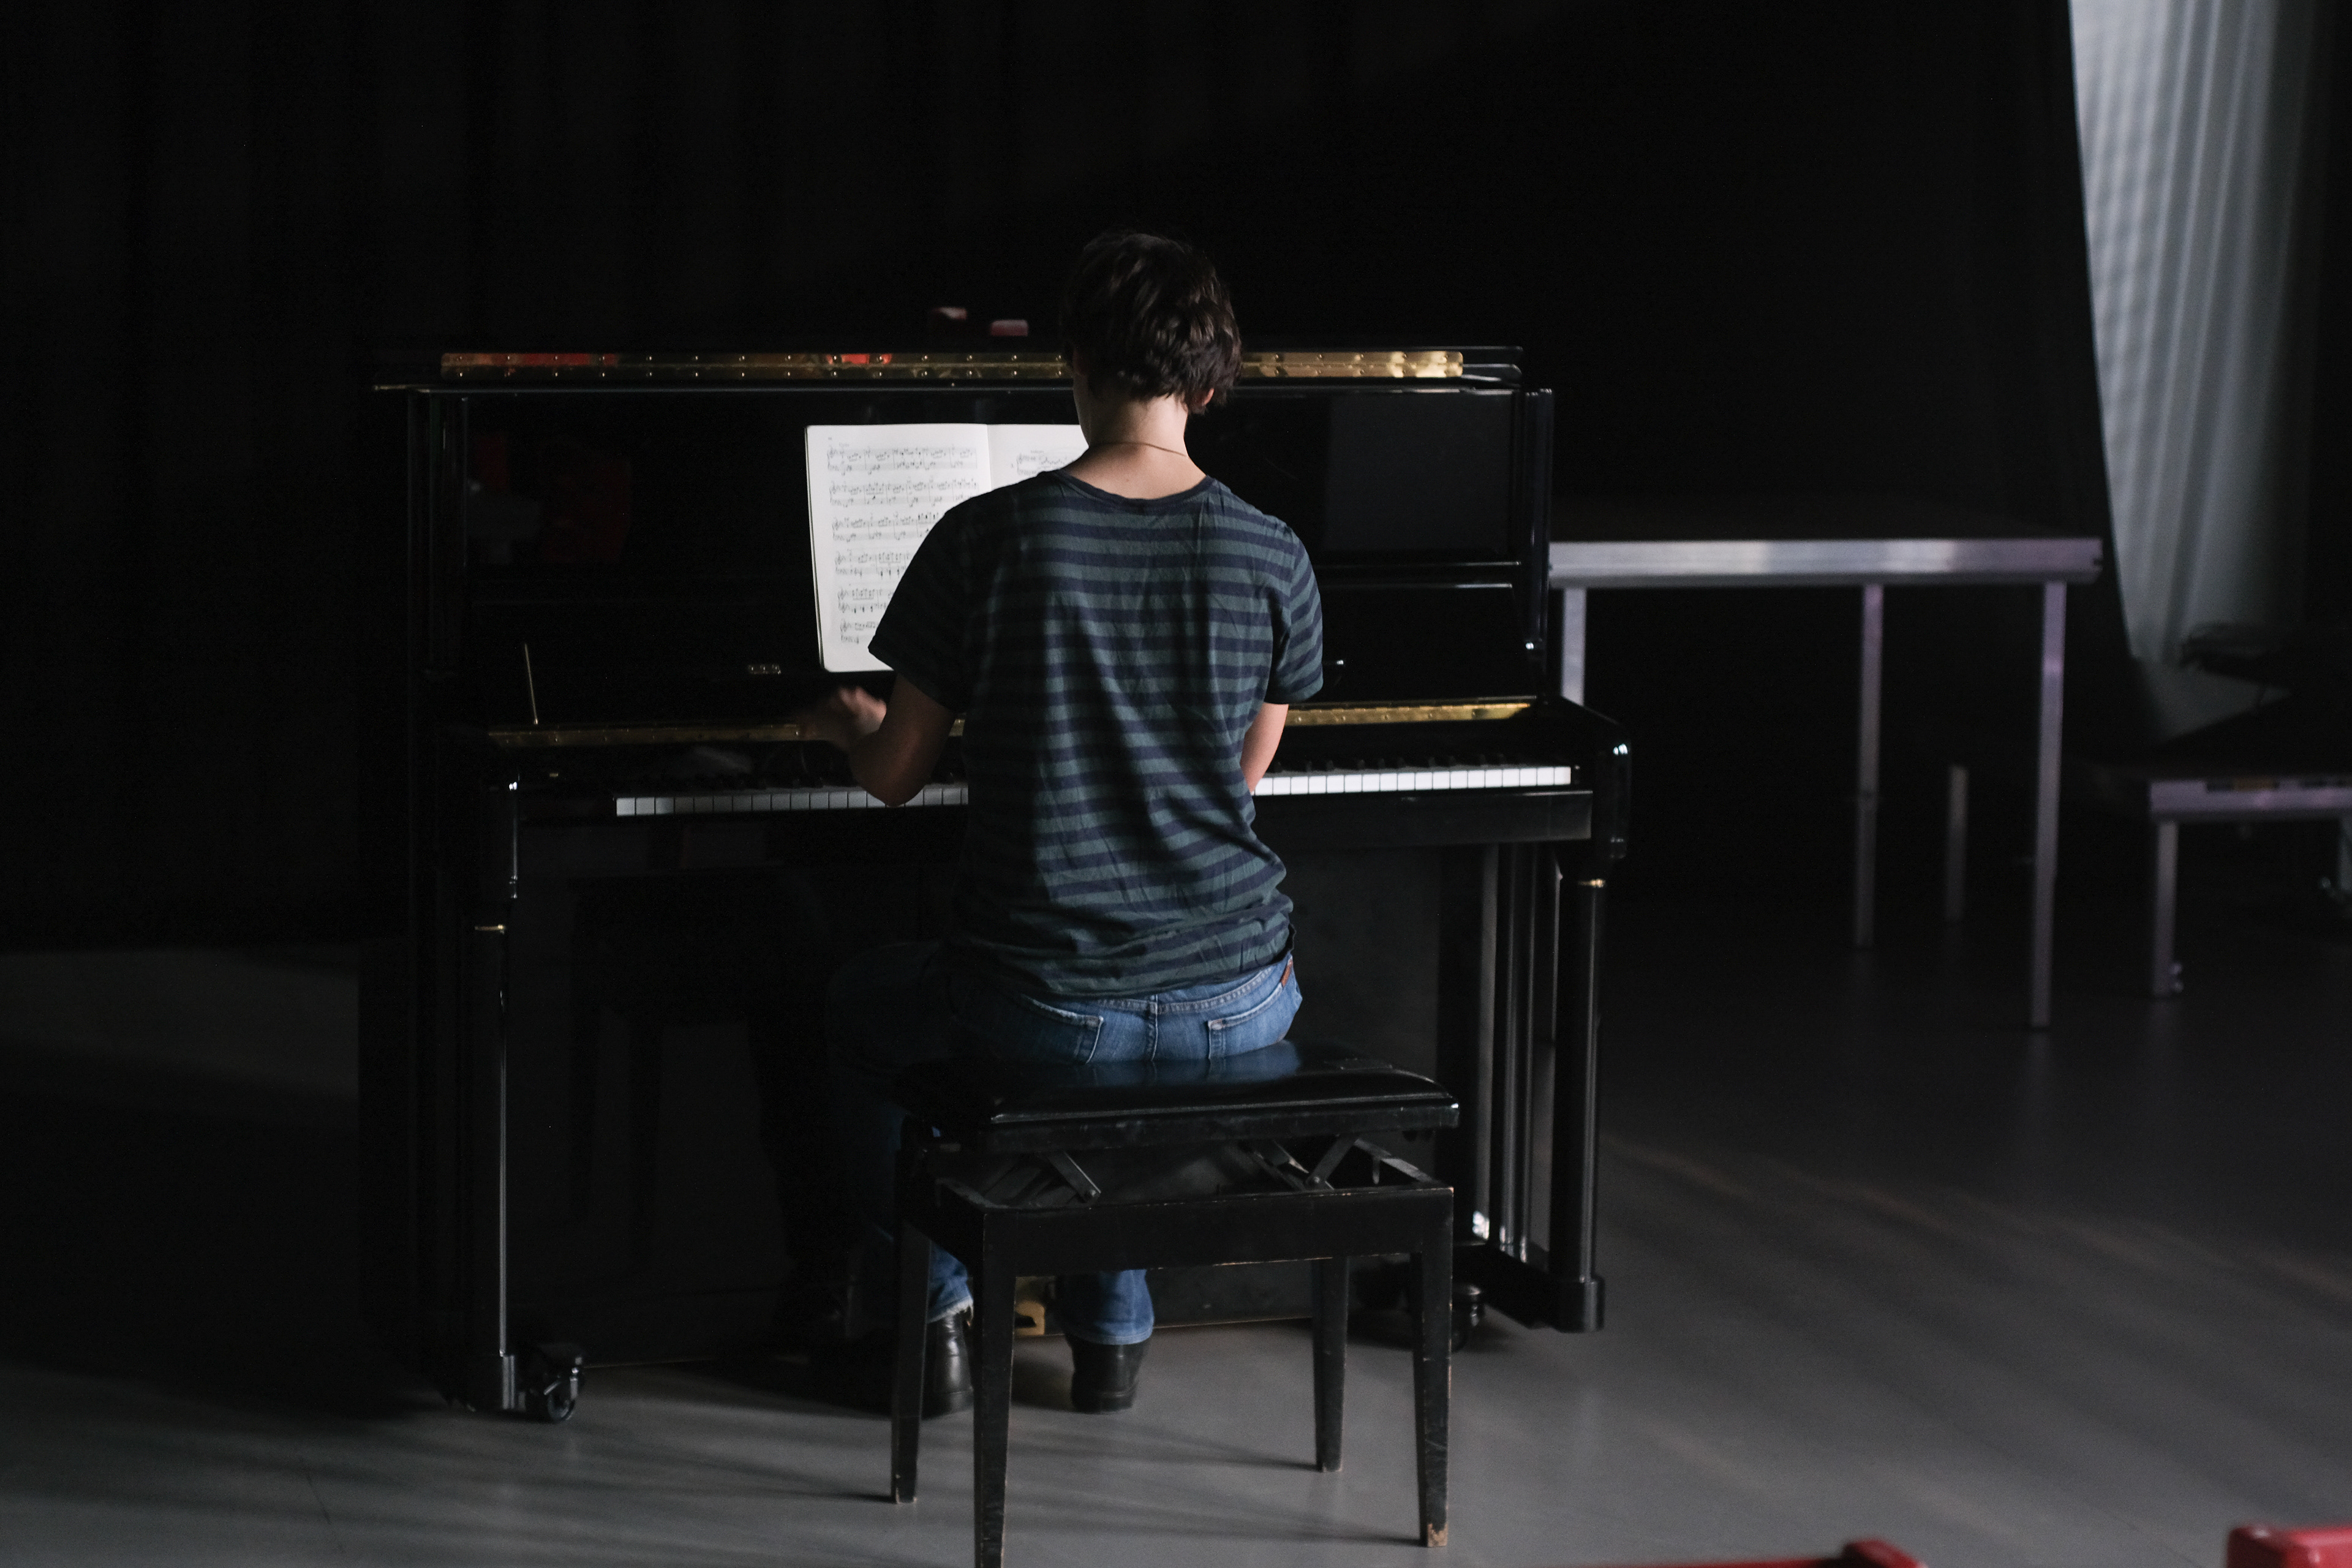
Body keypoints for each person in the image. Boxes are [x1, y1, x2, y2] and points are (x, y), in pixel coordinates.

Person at [793, 230, 1324, 1416]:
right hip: (1245, 997)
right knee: (1129, 1042)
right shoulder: (1274, 551)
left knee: (863, 1007)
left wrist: (846, 723)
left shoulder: (986, 538)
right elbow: (1240, 779)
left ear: (1074, 363)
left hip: (1053, 1011)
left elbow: (894, 775)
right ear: (1211, 383)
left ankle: (932, 1316)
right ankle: (1111, 1335)